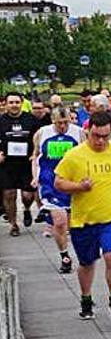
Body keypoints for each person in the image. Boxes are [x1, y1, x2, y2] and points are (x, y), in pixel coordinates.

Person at [54, 110, 111, 321]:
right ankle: (86, 297)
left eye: (105, 136)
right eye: (96, 136)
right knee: (87, 263)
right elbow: (58, 183)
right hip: (84, 220)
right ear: (87, 131)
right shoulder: (75, 155)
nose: (101, 141)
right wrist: (79, 186)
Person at [31, 106, 85, 273]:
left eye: (65, 122)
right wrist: (35, 177)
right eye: (59, 123)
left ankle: (76, 250)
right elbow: (36, 157)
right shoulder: (42, 133)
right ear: (52, 121)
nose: (63, 126)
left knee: (70, 224)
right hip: (50, 183)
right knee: (59, 222)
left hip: (71, 183)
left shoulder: (79, 133)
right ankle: (65, 256)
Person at [0, 92, 41, 236]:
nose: (14, 105)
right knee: (9, 194)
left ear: (22, 103)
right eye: (11, 102)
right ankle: (13, 224)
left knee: (27, 196)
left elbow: (39, 138)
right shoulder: (1, 120)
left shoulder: (31, 120)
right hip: (7, 164)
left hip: (26, 163)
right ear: (5, 104)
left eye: (17, 102)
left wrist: (35, 153)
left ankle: (27, 209)